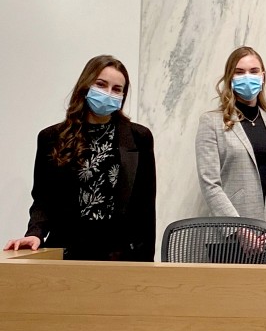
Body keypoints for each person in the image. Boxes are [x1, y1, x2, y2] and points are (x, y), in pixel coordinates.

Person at [4, 55, 156, 261]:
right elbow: (43, 198)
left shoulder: (139, 137)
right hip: (67, 250)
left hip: (119, 253)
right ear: (86, 85)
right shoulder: (51, 137)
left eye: (117, 89)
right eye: (101, 85)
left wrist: (145, 262)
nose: (108, 93)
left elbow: (145, 206)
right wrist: (35, 233)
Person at [195, 46, 266, 264]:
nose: (247, 77)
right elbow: (210, 183)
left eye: (254, 70)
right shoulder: (212, 123)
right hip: (230, 241)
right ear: (229, 78)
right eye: (240, 72)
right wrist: (239, 230)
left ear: (263, 77)